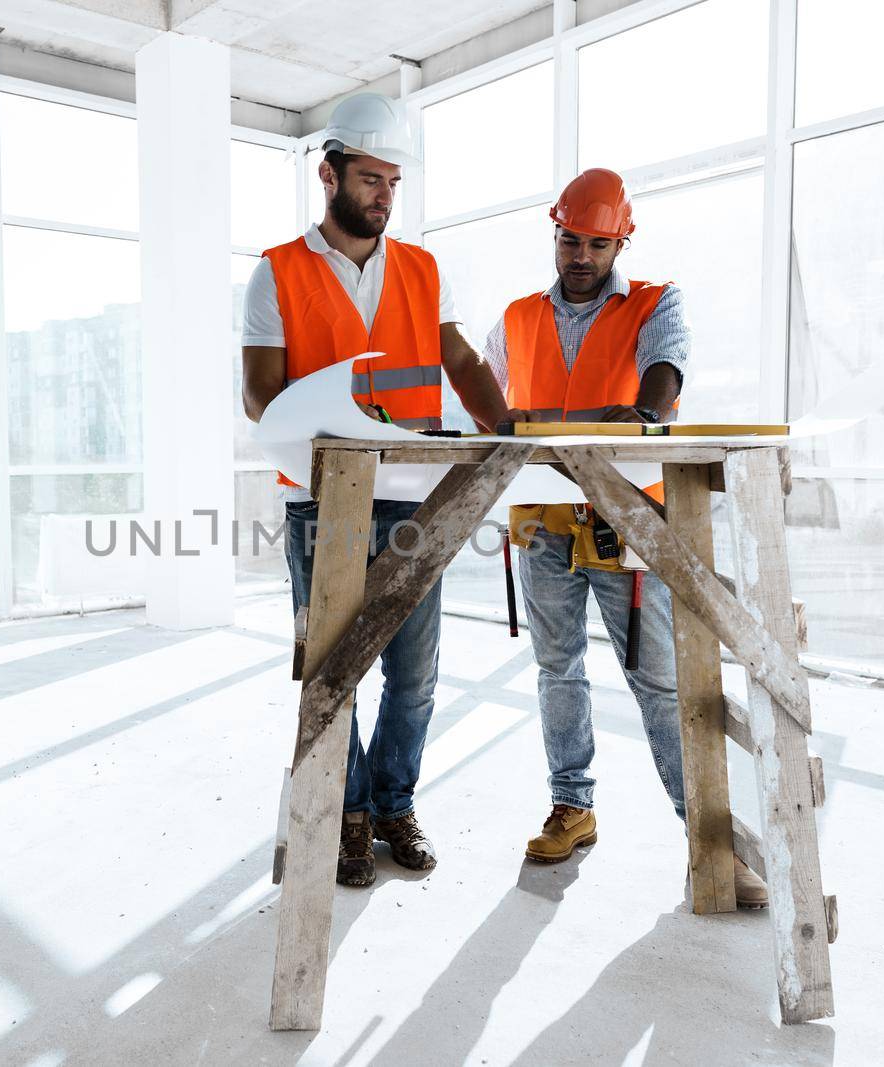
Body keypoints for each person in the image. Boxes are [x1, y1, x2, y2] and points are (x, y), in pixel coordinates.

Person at [240, 93, 511, 887]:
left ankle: (394, 802)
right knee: (334, 668)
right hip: (320, 499)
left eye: (393, 180)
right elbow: (260, 394)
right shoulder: (277, 272)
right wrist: (332, 420)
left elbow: (460, 364)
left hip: (413, 496)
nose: (385, 194)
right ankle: (350, 814)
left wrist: (505, 430)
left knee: (416, 672)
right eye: (369, 177)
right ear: (327, 174)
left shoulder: (424, 271)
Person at [489, 168, 767, 908]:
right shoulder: (516, 317)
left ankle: (711, 844)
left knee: (660, 683)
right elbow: (486, 394)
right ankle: (572, 806)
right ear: (555, 234)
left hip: (627, 518)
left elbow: (666, 369)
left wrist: (644, 412)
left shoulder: (653, 302)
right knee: (558, 669)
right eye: (570, 239)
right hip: (545, 519)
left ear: (621, 243)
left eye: (597, 243)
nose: (580, 255)